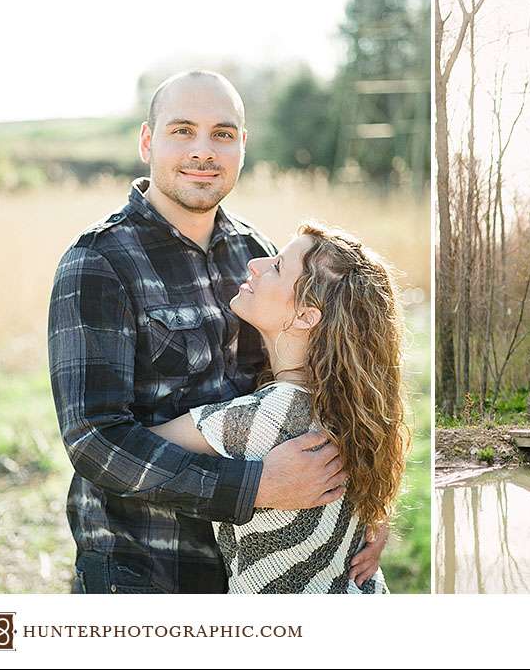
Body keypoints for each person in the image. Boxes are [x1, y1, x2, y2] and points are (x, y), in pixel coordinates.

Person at [48, 70, 385, 594]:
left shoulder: (255, 254)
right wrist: (255, 486)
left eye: (222, 134)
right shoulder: (98, 262)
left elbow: (326, 382)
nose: (203, 151)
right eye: (182, 130)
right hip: (143, 562)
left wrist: (365, 505)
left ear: (242, 146)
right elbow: (94, 440)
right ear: (147, 141)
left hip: (254, 563)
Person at [150, 224, 406, 593]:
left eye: (278, 267)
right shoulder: (353, 407)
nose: (255, 263)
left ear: (305, 316)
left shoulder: (258, 419)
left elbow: (126, 450)